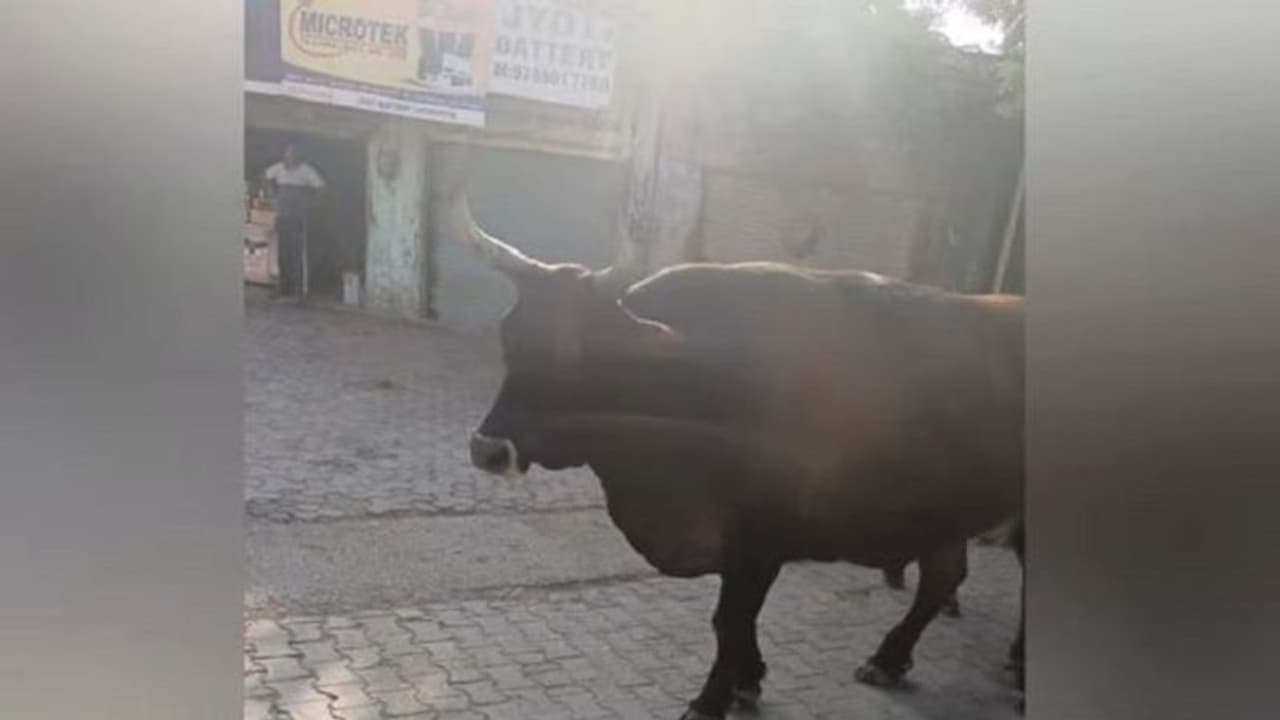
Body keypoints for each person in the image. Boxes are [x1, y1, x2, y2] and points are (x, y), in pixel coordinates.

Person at [263, 144, 325, 298]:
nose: (289, 159)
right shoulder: (279, 168)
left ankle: (299, 290)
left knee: (297, 253)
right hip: (282, 215)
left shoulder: (306, 171)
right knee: (283, 252)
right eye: (287, 156)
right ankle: (284, 288)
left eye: (293, 156)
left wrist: (310, 204)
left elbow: (322, 188)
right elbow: (264, 176)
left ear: (298, 157)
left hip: (298, 217)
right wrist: (272, 196)